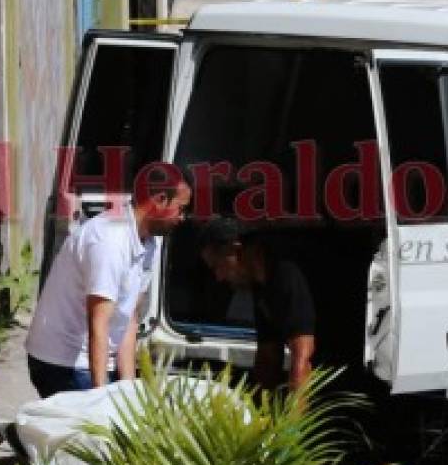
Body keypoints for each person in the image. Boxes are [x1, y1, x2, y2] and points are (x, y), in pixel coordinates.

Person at [25, 170, 191, 397]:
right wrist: (100, 399)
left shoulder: (151, 241)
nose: (182, 218)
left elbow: (129, 316)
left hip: (95, 357)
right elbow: (99, 324)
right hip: (62, 362)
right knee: (101, 428)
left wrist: (128, 385)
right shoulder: (109, 241)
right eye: (180, 208)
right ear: (160, 200)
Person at [199, 218, 316, 393]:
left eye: (217, 266)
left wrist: (294, 420)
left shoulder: (287, 274)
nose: (219, 277)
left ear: (235, 250)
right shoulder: (260, 286)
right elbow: (267, 358)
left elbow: (303, 360)